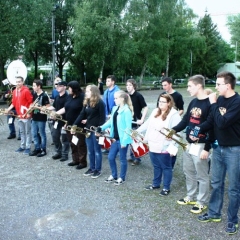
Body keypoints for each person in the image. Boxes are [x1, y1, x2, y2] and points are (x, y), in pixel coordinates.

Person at [196, 71, 240, 235]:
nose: (215, 87)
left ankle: (232, 220)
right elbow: (213, 123)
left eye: (218, 84)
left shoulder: (237, 102)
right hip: (218, 148)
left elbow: (222, 122)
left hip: (234, 149)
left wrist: (213, 104)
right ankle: (214, 213)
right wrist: (199, 129)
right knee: (216, 183)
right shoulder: (220, 100)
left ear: (227, 86)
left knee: (234, 188)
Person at [169, 75, 214, 214]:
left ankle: (202, 202)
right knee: (188, 171)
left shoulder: (209, 104)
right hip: (188, 144)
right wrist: (173, 130)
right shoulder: (193, 102)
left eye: (190, 86)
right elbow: (185, 121)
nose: (187, 89)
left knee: (202, 175)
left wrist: (207, 148)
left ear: (199, 86)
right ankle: (191, 196)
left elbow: (212, 127)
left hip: (201, 145)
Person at [137, 93, 181, 196]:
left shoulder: (174, 115)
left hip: (164, 146)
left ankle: (166, 187)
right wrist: (137, 131)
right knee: (156, 166)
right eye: (159, 101)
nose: (160, 103)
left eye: (163, 102)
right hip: (152, 144)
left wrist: (173, 148)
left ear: (169, 103)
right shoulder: (155, 111)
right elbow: (147, 124)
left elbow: (177, 133)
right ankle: (156, 184)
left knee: (166, 167)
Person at [99, 90, 133, 185]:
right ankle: (114, 175)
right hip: (114, 138)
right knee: (110, 157)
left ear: (122, 99)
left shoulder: (126, 111)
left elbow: (128, 128)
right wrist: (101, 127)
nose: (114, 100)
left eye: (116, 98)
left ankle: (122, 177)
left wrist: (124, 141)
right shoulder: (115, 109)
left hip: (122, 140)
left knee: (122, 159)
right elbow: (110, 122)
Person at [73, 85, 105, 178]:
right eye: (86, 91)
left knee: (97, 151)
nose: (86, 93)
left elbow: (102, 119)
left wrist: (99, 130)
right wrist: (74, 124)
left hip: (96, 131)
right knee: (90, 151)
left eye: (88, 91)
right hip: (87, 130)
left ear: (93, 92)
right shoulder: (87, 102)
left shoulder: (100, 103)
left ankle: (98, 170)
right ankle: (92, 168)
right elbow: (82, 114)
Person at [55, 81, 87, 170]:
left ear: (74, 88)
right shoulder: (69, 97)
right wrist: (56, 114)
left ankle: (82, 162)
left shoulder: (82, 97)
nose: (68, 89)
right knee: (72, 143)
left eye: (70, 88)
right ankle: (75, 160)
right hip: (69, 123)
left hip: (78, 124)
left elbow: (83, 112)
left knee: (80, 143)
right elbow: (66, 109)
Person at [159, 77, 184, 169]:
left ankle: (171, 165)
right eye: (162, 85)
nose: (164, 87)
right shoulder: (162, 94)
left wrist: (173, 116)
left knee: (173, 142)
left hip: (174, 122)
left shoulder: (178, 96)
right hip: (164, 120)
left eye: (165, 85)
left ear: (170, 84)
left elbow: (181, 110)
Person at [5, 76, 33, 154]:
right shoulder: (14, 91)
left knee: (27, 132)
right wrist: (8, 109)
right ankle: (22, 146)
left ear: (22, 82)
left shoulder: (26, 91)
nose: (18, 83)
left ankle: (28, 147)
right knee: (22, 132)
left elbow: (31, 102)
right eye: (17, 82)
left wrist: (29, 113)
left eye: (19, 81)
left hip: (26, 115)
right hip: (19, 115)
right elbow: (13, 103)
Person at [126, 78, 148, 166]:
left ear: (134, 86)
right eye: (127, 85)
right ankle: (132, 156)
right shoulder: (127, 96)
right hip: (129, 121)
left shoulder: (138, 96)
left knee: (136, 140)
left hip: (136, 121)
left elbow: (145, 107)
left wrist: (142, 119)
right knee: (130, 139)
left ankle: (137, 158)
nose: (128, 87)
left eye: (130, 85)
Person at [46, 81, 70, 162]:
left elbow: (66, 109)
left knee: (65, 139)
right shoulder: (57, 97)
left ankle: (65, 154)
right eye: (57, 85)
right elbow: (54, 106)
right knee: (55, 136)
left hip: (64, 121)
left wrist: (55, 114)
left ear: (64, 87)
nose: (57, 87)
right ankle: (58, 152)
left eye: (60, 86)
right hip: (56, 121)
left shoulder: (68, 97)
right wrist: (44, 109)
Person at [29, 79, 50, 157]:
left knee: (42, 134)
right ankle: (37, 148)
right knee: (34, 133)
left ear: (39, 86)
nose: (33, 87)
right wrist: (31, 106)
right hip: (34, 117)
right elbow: (32, 103)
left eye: (34, 86)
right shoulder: (34, 94)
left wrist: (39, 107)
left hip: (41, 118)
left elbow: (48, 107)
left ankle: (43, 150)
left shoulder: (44, 95)